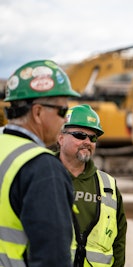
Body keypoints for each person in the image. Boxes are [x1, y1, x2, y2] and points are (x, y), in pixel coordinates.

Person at [0, 59, 80, 266]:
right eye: (63, 110)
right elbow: (52, 258)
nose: (66, 119)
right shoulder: (42, 168)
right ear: (37, 112)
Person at [57, 104, 127, 267]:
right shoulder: (42, 176)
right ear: (60, 138)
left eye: (93, 137)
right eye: (80, 135)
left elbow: (119, 241)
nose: (87, 142)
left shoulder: (108, 185)